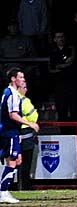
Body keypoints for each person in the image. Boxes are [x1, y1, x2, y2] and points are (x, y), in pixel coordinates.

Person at [0, 68, 39, 203]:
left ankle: (4, 190)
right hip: (9, 131)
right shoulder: (12, 94)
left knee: (18, 160)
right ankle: (3, 192)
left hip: (11, 131)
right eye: (21, 77)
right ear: (13, 79)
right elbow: (13, 115)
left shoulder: (9, 93)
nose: (23, 80)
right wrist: (29, 124)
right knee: (12, 160)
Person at [17, 81, 38, 190]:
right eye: (24, 87)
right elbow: (33, 117)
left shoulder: (10, 100)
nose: (26, 90)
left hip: (16, 133)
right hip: (25, 134)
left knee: (15, 162)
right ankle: (25, 186)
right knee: (26, 162)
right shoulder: (24, 101)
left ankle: (18, 185)